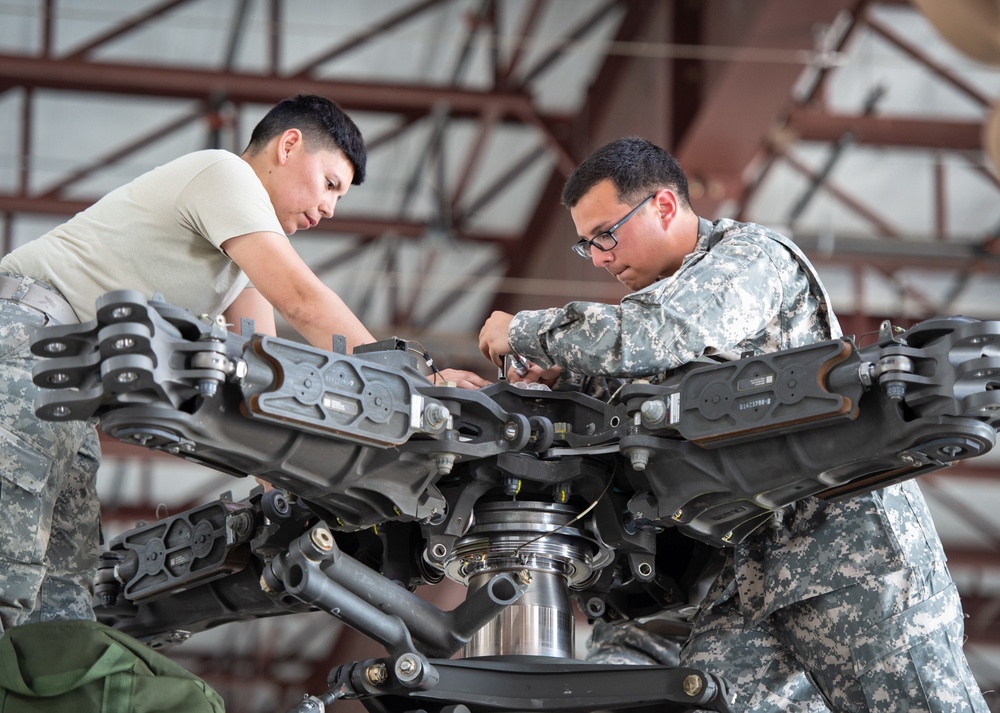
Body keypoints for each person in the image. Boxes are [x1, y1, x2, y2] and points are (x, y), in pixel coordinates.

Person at [478, 137, 988, 712]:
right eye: (586, 245)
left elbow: (662, 331)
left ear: (664, 207)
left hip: (857, 558)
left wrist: (524, 330)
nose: (598, 257)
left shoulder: (752, 260)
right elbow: (632, 403)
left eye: (605, 235)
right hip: (754, 572)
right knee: (698, 702)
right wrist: (545, 387)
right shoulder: (668, 318)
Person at [0, 93, 489, 637]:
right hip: (24, 335)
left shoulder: (236, 266)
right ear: (289, 145)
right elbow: (302, 297)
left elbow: (268, 380)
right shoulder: (222, 171)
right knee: (10, 555)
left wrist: (289, 483)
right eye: (330, 183)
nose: (330, 210)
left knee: (64, 586)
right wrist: (421, 390)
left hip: (67, 381)